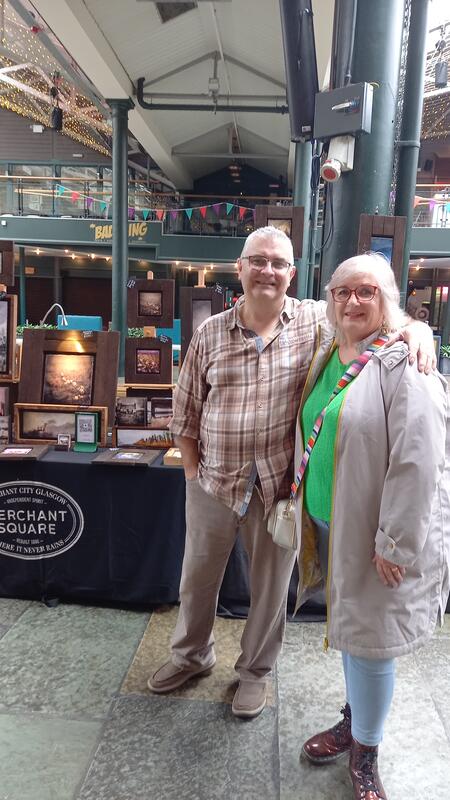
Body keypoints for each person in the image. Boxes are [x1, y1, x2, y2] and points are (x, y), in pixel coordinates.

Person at [147, 226, 436, 720]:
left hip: (279, 488)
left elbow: (370, 315)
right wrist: (193, 471)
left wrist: (418, 329)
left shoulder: (313, 322)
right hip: (215, 482)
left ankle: (254, 673)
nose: (267, 270)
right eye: (257, 261)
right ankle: (190, 657)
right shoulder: (210, 332)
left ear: (292, 274)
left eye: (278, 263)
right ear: (238, 269)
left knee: (270, 588)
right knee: (196, 580)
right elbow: (186, 409)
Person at [293, 253, 449, 800]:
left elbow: (420, 462)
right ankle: (354, 719)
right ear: (329, 300)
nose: (353, 302)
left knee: (371, 645)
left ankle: (366, 751)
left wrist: (397, 544)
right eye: (343, 292)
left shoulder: (406, 364)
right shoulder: (329, 348)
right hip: (330, 521)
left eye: (368, 292)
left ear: (390, 301)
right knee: (355, 633)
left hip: (375, 535)